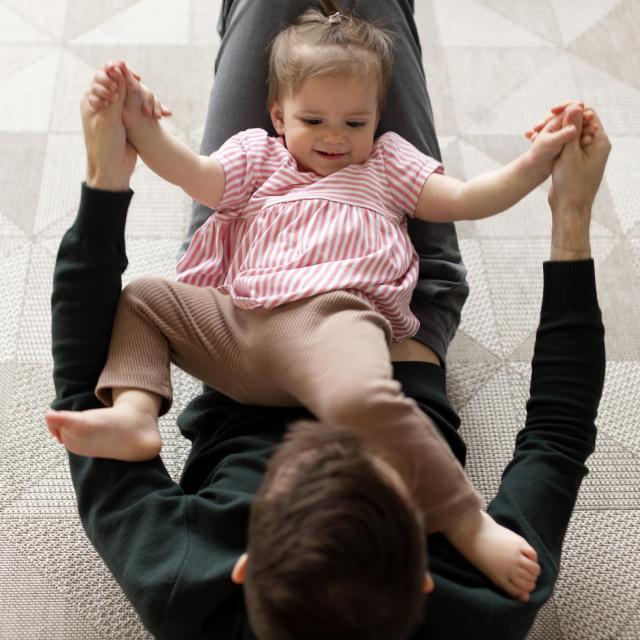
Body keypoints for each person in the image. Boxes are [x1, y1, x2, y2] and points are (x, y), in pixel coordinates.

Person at [46, 1, 608, 638]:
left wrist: (108, 175)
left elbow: (80, 389)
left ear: (245, 569)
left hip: (248, 286)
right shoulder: (484, 604)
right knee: (372, 23)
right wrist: (570, 212)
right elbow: (558, 437)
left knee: (267, 12)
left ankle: (137, 412)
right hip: (392, 313)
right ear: (420, 582)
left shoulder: (183, 588)